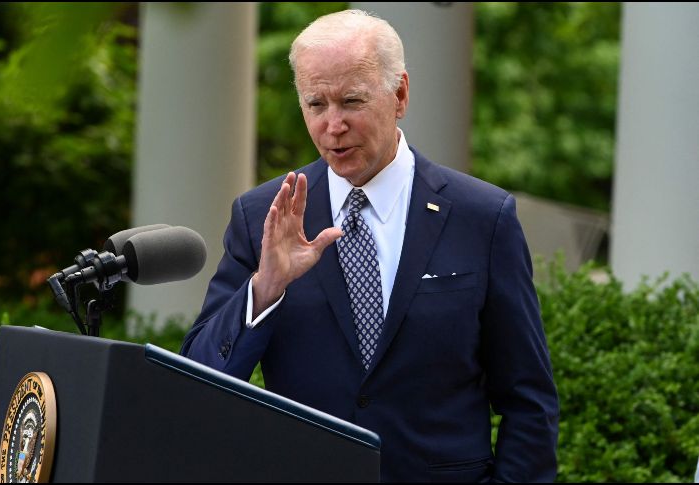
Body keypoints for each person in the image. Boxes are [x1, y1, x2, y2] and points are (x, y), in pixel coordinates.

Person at [181, 9, 559, 482]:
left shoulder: (482, 217)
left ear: (399, 94)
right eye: (316, 105)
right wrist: (265, 288)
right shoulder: (263, 216)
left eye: (351, 101)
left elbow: (528, 399)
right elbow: (196, 383)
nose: (333, 125)